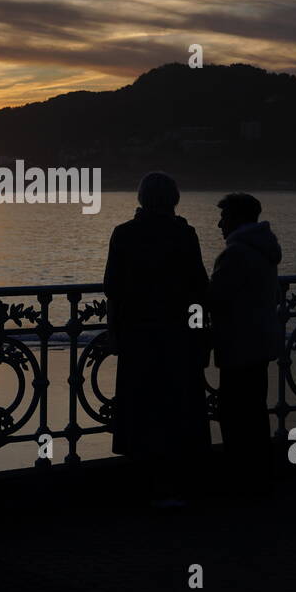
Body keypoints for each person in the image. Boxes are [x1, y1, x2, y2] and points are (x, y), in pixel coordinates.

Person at [103, 171, 210, 507]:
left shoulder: (123, 234)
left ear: (141, 199)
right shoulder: (184, 235)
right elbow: (199, 289)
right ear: (173, 200)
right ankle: (175, 486)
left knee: (140, 408)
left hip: (137, 335)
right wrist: (198, 335)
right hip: (177, 336)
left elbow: (112, 287)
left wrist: (116, 330)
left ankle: (144, 485)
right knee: (176, 408)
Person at [209, 192, 283, 496]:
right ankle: (258, 476)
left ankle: (240, 478)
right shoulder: (264, 250)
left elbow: (215, 298)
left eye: (224, 218)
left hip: (238, 344)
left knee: (235, 414)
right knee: (254, 412)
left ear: (237, 219)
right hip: (260, 343)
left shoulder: (236, 254)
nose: (218, 224)